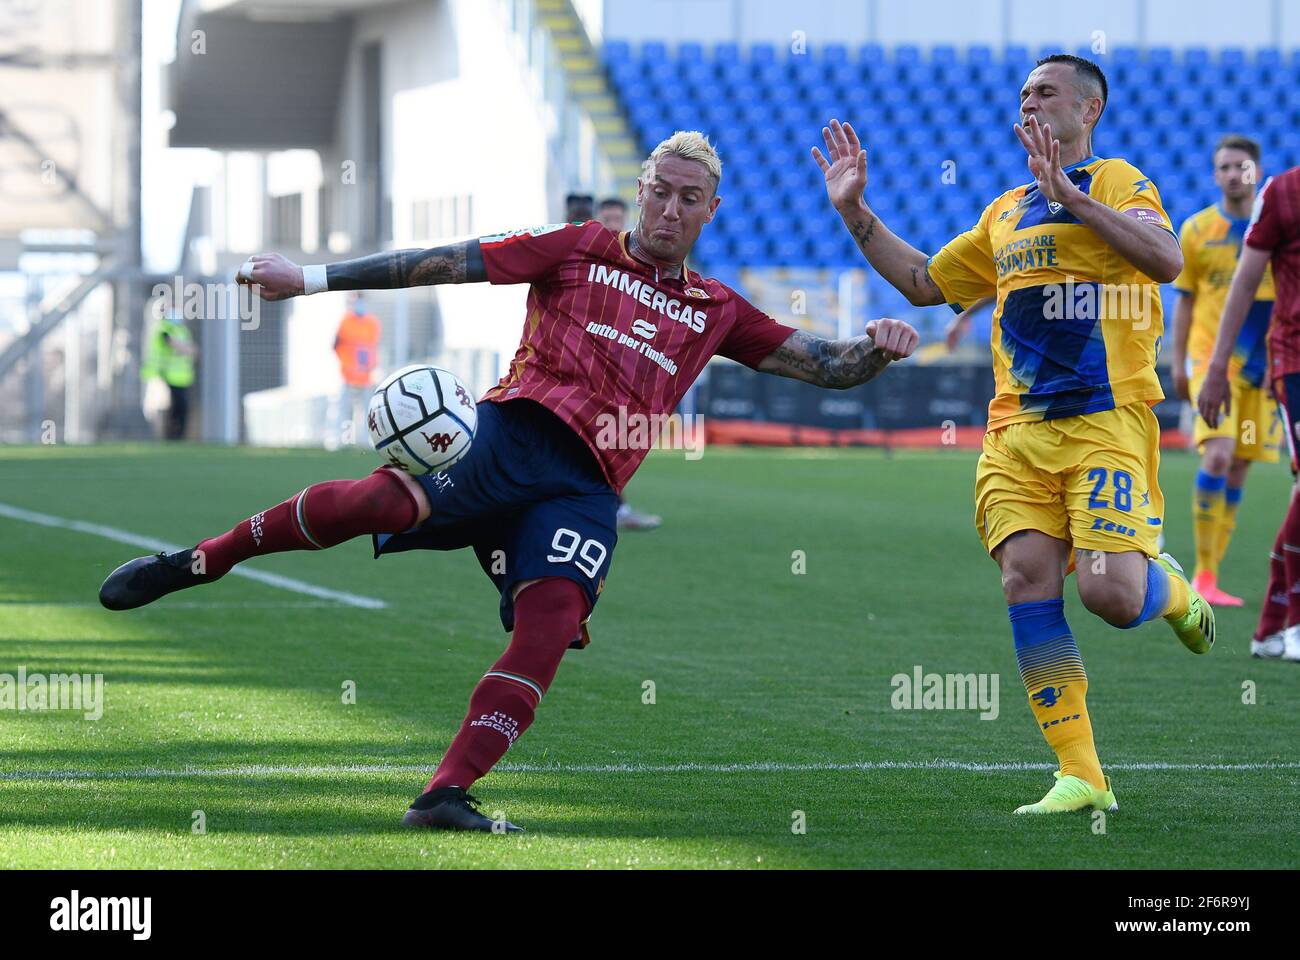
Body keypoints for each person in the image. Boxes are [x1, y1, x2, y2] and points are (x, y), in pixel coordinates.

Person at [99, 131, 919, 832]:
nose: (670, 209)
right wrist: (310, 279)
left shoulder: (715, 311)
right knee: (378, 500)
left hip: (583, 489)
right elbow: (445, 262)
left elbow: (829, 367)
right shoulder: (575, 248)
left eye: (689, 199)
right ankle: (198, 561)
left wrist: (877, 345)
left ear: (711, 211)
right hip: (505, 434)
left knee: (551, 621)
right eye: (660, 192)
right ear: (639, 194)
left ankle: (445, 793)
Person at [814, 54, 1213, 816]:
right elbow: (927, 282)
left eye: (1047, 90)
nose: (1030, 99)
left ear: (1088, 111)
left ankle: (1171, 592)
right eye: (1024, 90)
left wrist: (1074, 198)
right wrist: (854, 212)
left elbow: (1166, 259)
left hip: (1103, 425)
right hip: (1017, 433)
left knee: (1110, 596)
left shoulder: (1119, 182)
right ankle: (1083, 775)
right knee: (1027, 581)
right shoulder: (1006, 209)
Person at [1170, 135, 1279, 607]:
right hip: (1210, 360)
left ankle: (1212, 574)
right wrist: (1178, 363)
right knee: (1217, 454)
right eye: (1225, 167)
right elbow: (1186, 303)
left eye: (1242, 167)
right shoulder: (1196, 231)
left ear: (1256, 172)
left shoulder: (1278, 228)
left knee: (1237, 468)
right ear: (1215, 175)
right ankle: (1202, 575)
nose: (1234, 175)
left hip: (1263, 366)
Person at [1199, 164, 1300, 662]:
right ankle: (1291, 622)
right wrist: (1211, 367)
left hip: (1264, 366)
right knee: (1220, 457)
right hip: (1284, 359)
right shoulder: (1281, 195)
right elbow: (1237, 286)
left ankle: (1269, 627)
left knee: (1289, 485)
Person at [595, 195, 662, 530]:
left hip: (624, 366)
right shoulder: (589, 258)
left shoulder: (640, 262)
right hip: (590, 364)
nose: (612, 223)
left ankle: (611, 506)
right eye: (607, 217)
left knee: (616, 439)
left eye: (617, 217)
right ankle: (611, 509)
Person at [330, 293, 381, 447]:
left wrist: (370, 366)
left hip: (366, 377)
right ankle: (342, 441)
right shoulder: (345, 322)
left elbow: (372, 348)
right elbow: (336, 346)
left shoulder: (372, 323)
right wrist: (347, 365)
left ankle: (366, 442)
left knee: (368, 412)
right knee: (344, 411)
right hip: (348, 376)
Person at [141, 312, 197, 441]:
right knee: (163, 408)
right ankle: (167, 436)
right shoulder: (164, 328)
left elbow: (192, 349)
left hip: (182, 378)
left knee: (180, 408)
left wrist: (189, 350)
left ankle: (177, 437)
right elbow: (177, 345)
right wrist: (188, 350)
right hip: (164, 376)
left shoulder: (181, 330)